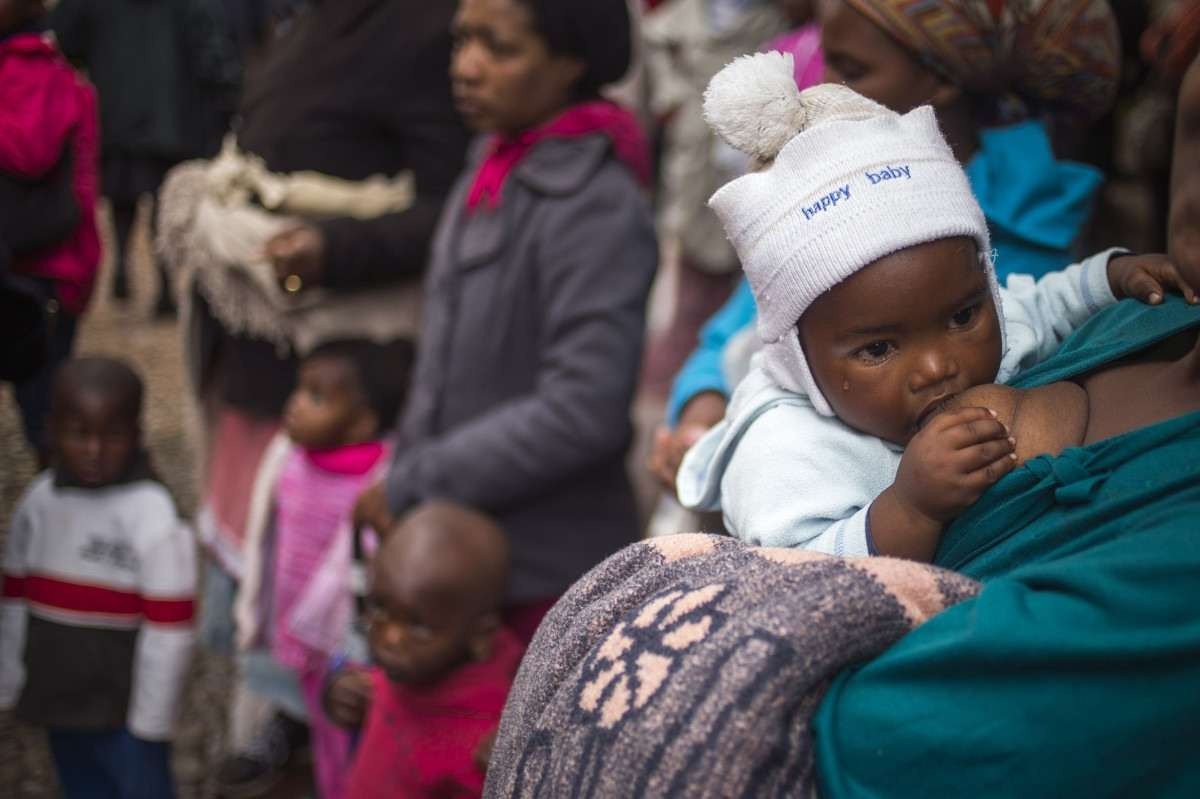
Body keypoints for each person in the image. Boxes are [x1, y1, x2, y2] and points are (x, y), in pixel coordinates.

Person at [674, 66, 1197, 561]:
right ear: (799, 358)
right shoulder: (786, 449)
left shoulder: (985, 318)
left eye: (962, 318)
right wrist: (908, 508)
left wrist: (1111, 276)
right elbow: (798, 578)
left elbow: (1039, 302)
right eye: (878, 349)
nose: (937, 367)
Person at [153, 1, 471, 791]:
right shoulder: (311, 20)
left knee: (331, 571)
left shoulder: (430, 32)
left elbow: (447, 207)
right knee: (264, 555)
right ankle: (275, 712)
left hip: (343, 374)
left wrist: (332, 247)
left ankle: (317, 716)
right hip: (261, 360)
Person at [648, 0, 1122, 492]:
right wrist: (703, 405)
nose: (823, 86)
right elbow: (745, 325)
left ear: (943, 80)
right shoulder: (826, 189)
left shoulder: (1028, 223)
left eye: (853, 70)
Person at [354, 0, 657, 642]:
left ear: (570, 63)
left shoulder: (596, 205)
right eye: (462, 40)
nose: (466, 67)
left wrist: (417, 480)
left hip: (538, 574)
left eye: (500, 48)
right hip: (454, 547)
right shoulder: (494, 164)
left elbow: (583, 408)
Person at [0, 357, 196, 799]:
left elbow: (171, 633)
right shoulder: (39, 502)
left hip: (123, 714)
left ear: (136, 434)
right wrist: (10, 678)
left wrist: (153, 718)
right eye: (78, 433)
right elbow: (13, 600)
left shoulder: (153, 515)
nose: (93, 450)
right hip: (58, 701)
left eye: (112, 435)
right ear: (51, 430)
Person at [231, 339, 413, 799]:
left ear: (362, 422)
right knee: (318, 719)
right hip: (297, 627)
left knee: (348, 735)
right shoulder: (290, 459)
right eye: (299, 390)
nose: (293, 405)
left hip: (347, 643)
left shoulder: (378, 483)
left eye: (315, 397)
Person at [50, 0, 240, 314]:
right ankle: (164, 285)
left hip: (116, 111)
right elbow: (211, 57)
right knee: (161, 202)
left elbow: (67, 39)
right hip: (172, 118)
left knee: (121, 199)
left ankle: (122, 264)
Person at [334, 502, 520, 798]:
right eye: (380, 608)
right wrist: (342, 696)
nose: (390, 637)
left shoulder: (491, 739)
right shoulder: (409, 665)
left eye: (419, 628)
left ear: (480, 636)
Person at [0, 0, 100, 466]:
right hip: (27, 261)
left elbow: (29, 151)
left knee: (43, 403)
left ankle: (63, 498)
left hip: (45, 268)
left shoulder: (33, 67)